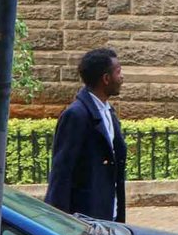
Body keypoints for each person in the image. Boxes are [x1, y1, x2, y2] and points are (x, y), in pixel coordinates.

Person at [46, 47, 128, 221]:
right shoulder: (76, 115)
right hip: (85, 219)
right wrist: (59, 222)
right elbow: (62, 173)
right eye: (118, 72)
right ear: (106, 79)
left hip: (108, 216)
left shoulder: (108, 112)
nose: (122, 77)